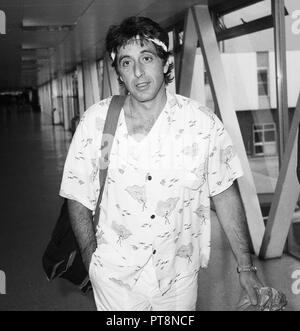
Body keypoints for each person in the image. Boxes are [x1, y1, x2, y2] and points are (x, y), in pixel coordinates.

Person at [59, 16, 263, 311]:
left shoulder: (201, 124)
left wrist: (246, 268)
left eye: (146, 58)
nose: (138, 72)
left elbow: (224, 193)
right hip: (116, 279)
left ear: (166, 63)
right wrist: (93, 262)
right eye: (127, 63)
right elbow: (78, 197)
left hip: (178, 279)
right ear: (119, 72)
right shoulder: (96, 122)